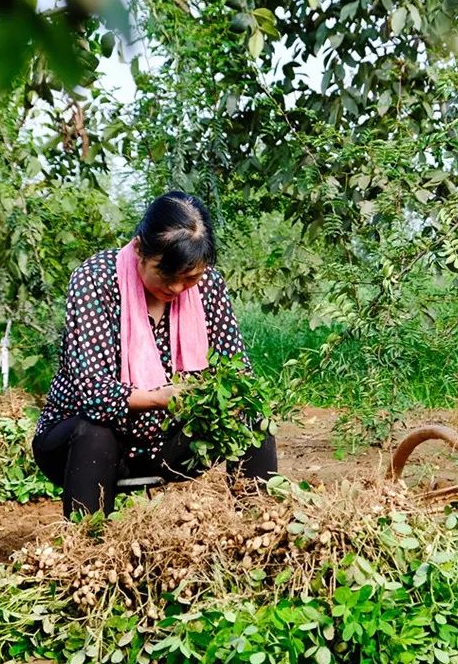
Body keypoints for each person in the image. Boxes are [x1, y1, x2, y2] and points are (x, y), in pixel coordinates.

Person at [33, 191, 277, 518]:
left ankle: (262, 526)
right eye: (165, 274)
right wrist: (160, 398)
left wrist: (230, 398)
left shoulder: (209, 287)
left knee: (251, 416)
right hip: (82, 446)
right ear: (139, 251)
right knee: (94, 430)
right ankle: (84, 551)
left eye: (190, 277)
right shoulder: (95, 279)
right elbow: (91, 392)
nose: (177, 288)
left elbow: (237, 374)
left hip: (166, 441)